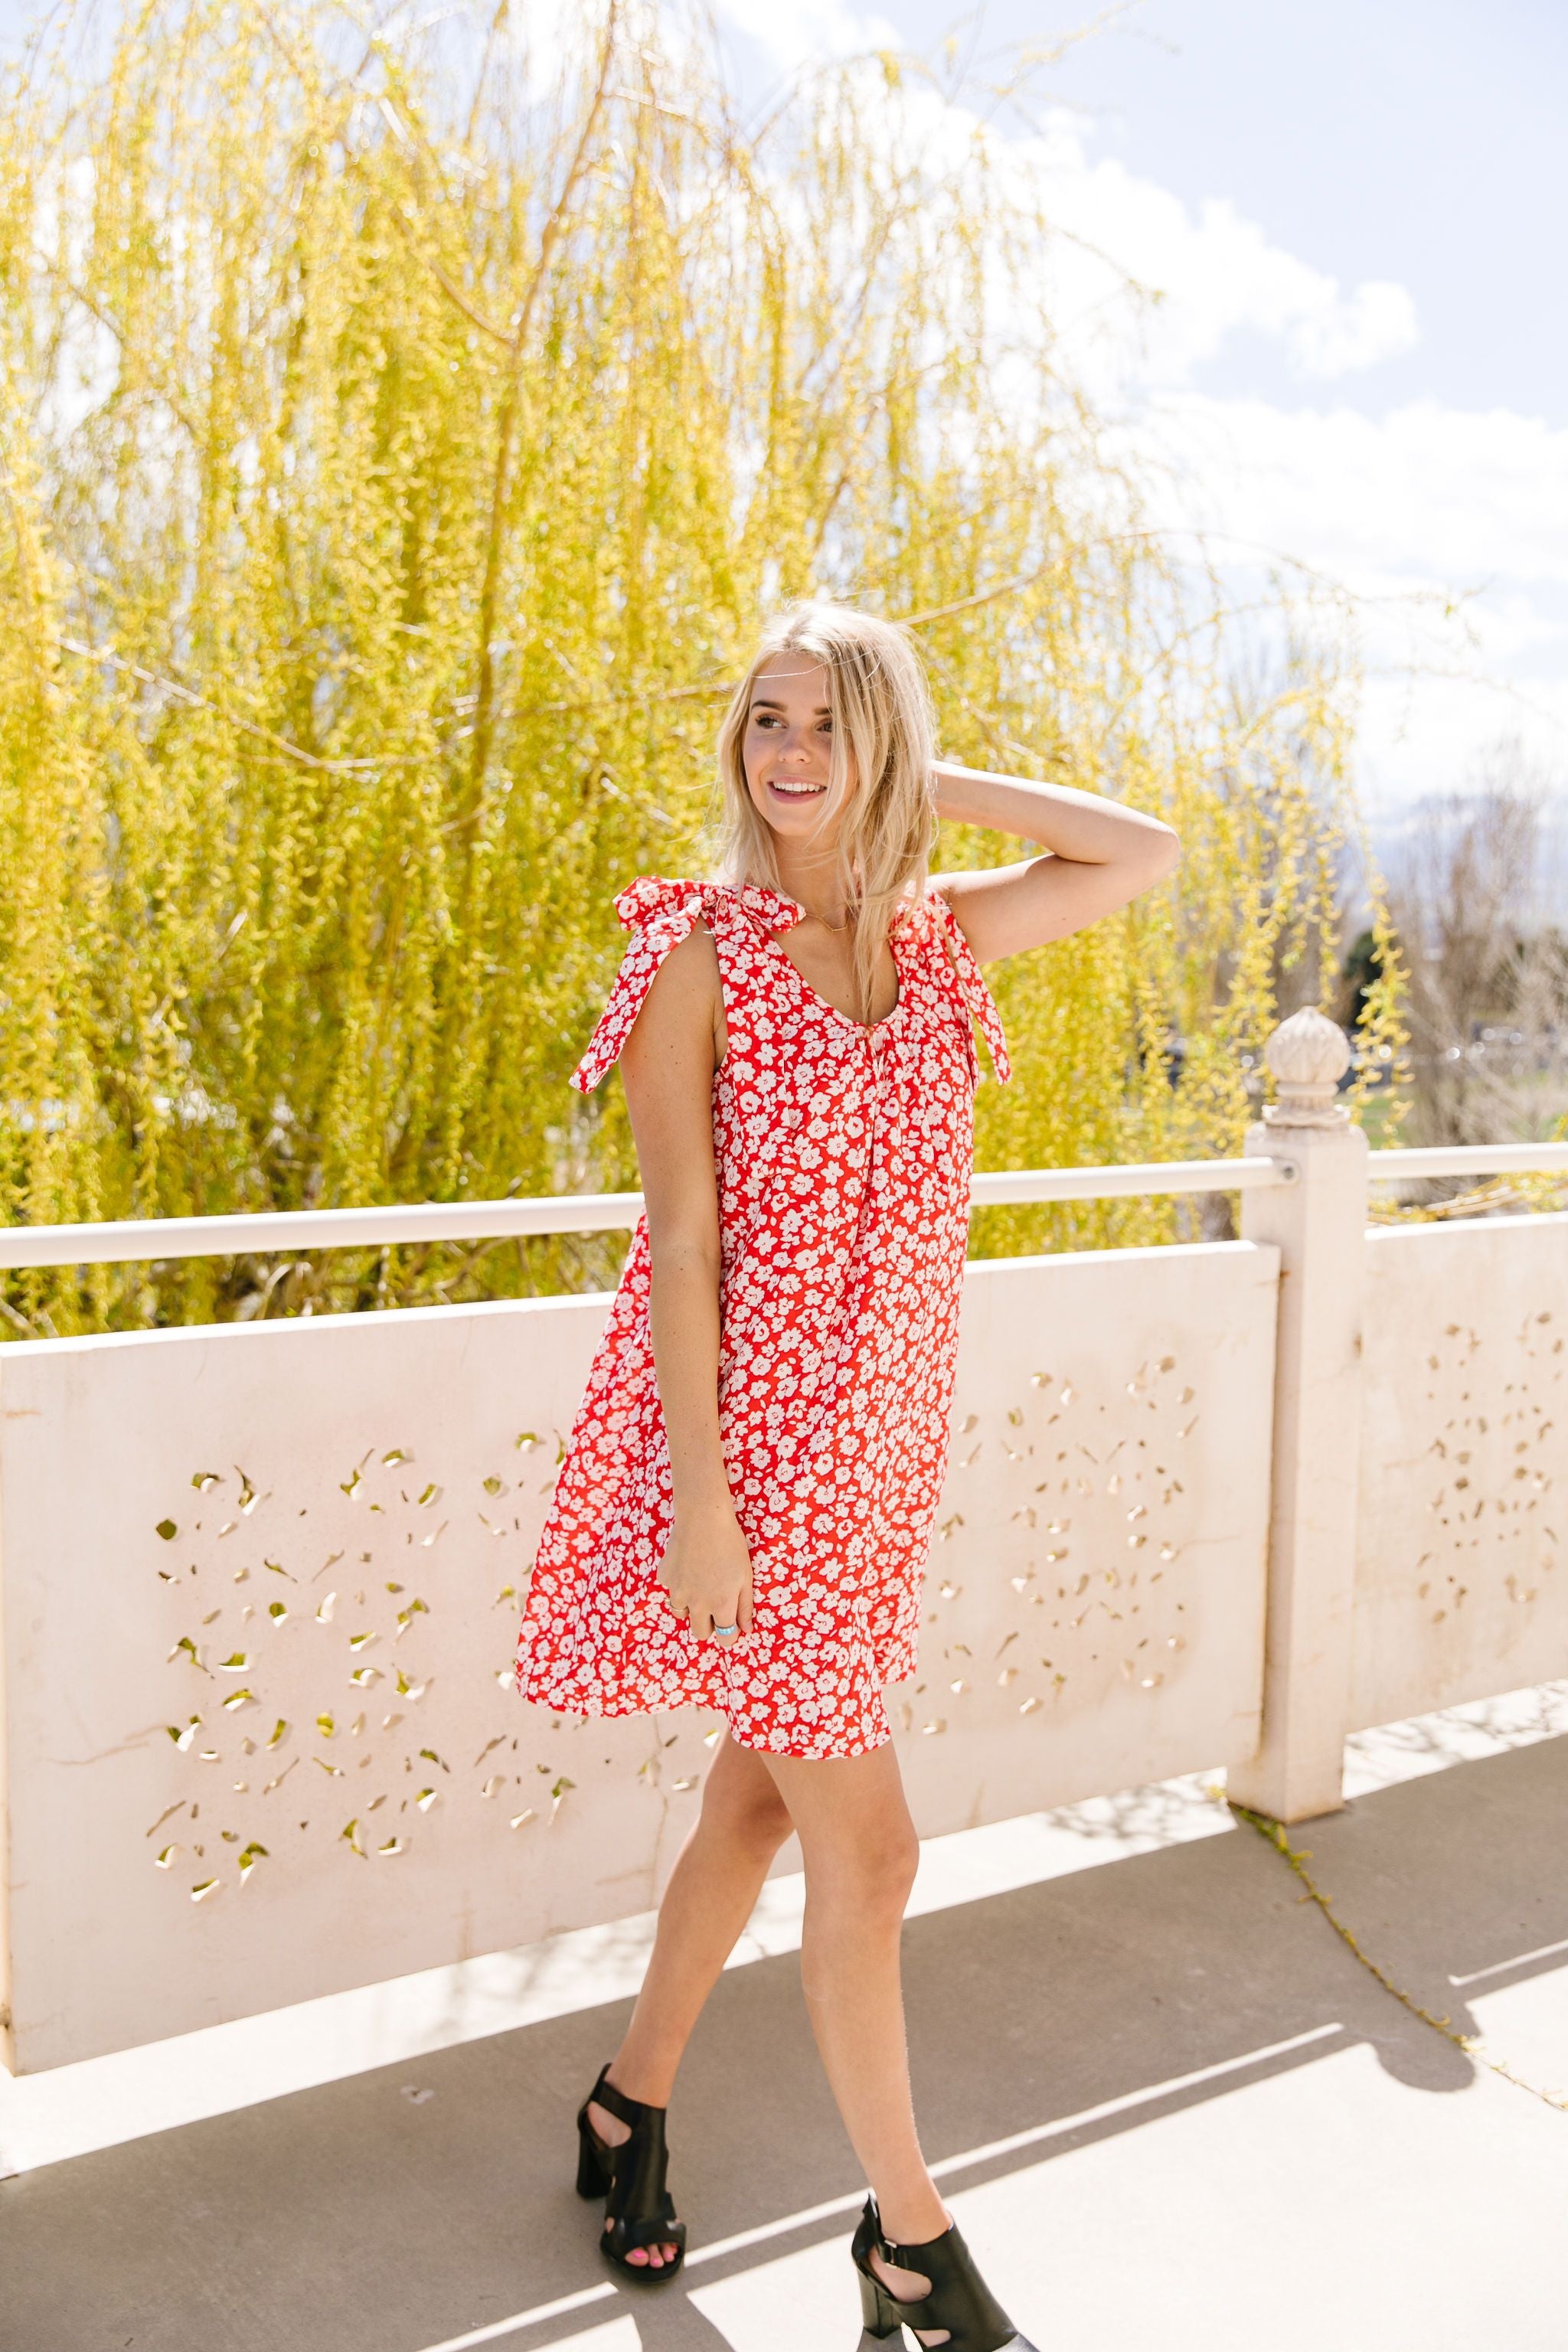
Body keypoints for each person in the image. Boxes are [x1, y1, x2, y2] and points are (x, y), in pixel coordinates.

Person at [515, 603, 1180, 2347]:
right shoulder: (697, 953)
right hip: (755, 1473)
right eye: (765, 724)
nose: (786, 757)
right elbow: (675, 1239)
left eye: (824, 726)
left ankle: (626, 2101)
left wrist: (906, 774)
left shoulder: (937, 938)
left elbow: (1144, 850)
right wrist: (709, 1504)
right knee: (867, 1860)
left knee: (755, 1806)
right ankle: (908, 2241)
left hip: (882, 1456)